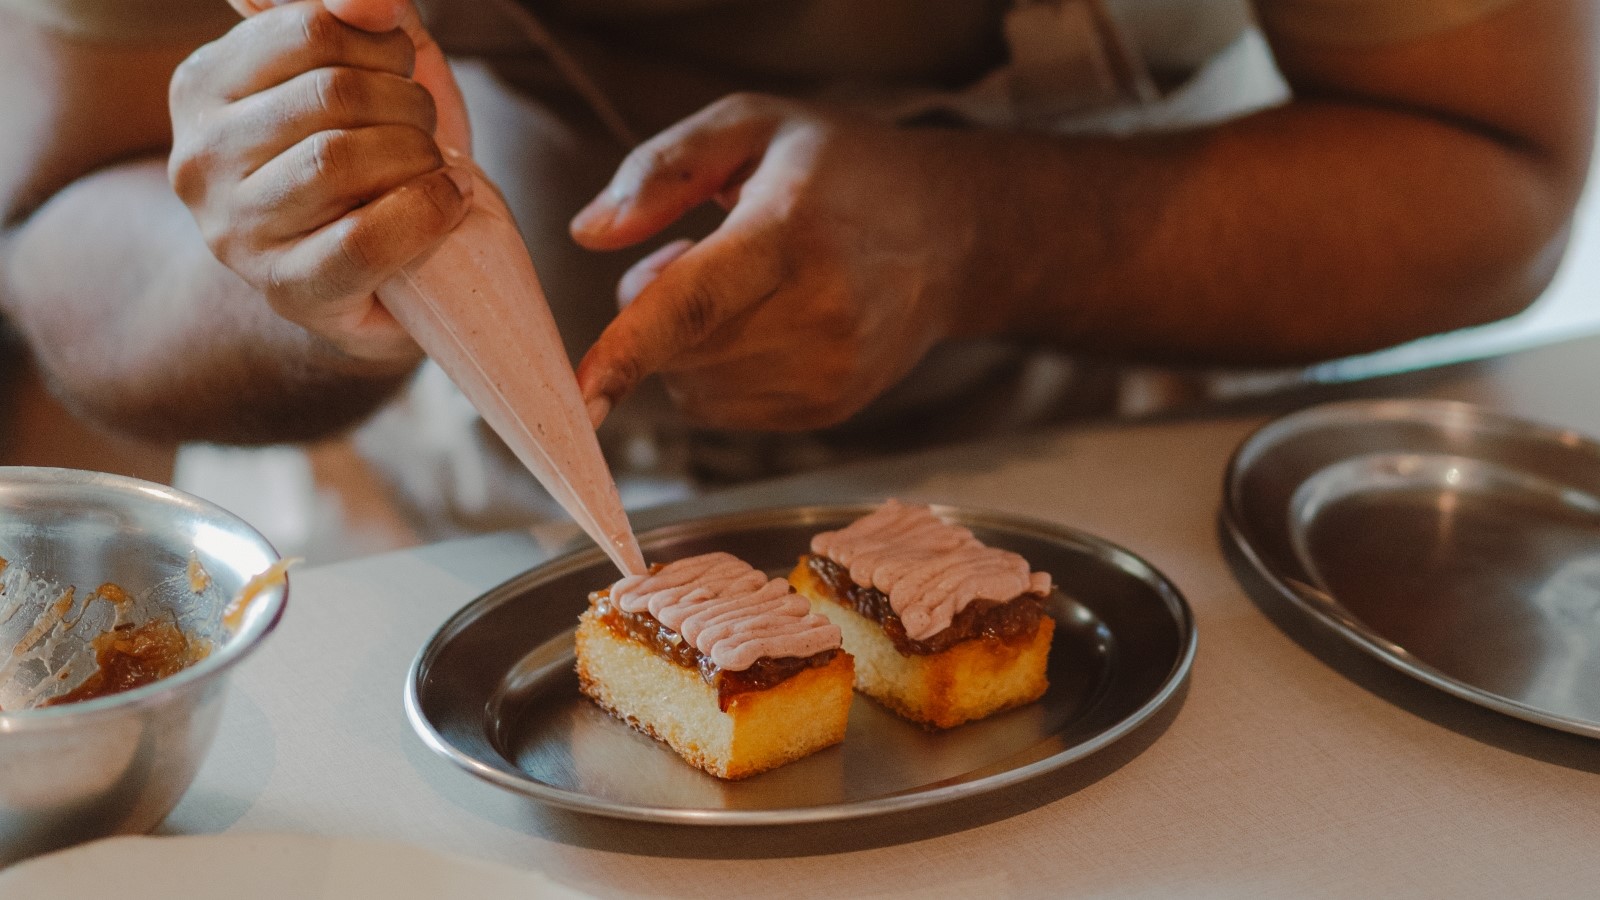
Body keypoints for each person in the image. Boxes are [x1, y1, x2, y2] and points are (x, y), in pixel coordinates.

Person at [0, 0, 1593, 555]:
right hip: (451, 524)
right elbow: (65, 226)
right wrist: (301, 279)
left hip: (1141, 477)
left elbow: (1502, 173)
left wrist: (989, 235)